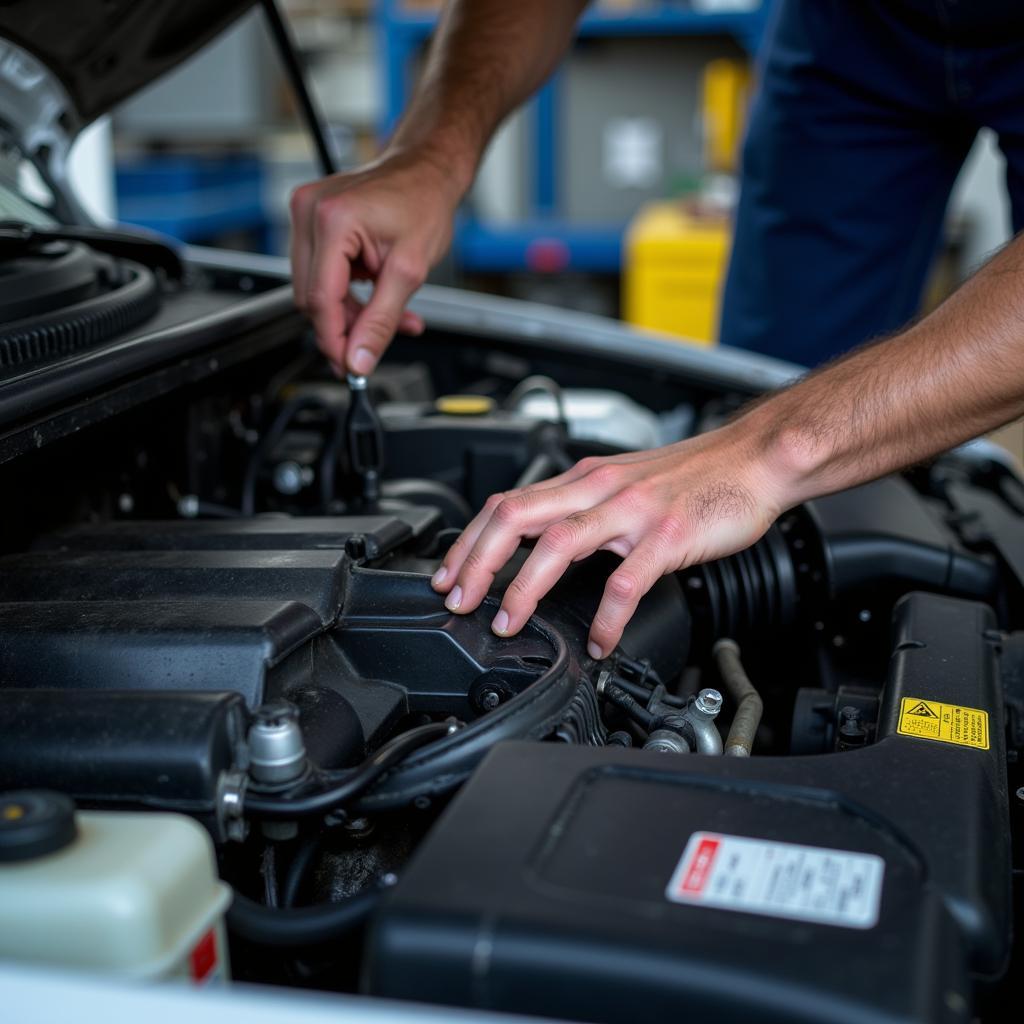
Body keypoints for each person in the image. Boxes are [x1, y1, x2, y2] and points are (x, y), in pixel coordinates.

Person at [289, 0, 1024, 663]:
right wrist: (433, 156)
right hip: (860, 24)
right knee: (770, 378)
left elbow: (774, 449)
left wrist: (770, 451)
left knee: (776, 445)